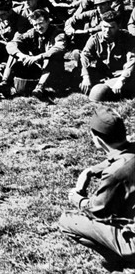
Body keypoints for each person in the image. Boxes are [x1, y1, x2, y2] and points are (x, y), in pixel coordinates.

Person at [59, 106, 135, 271]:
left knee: (67, 222)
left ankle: (123, 261)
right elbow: (124, 155)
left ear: (98, 140)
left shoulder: (114, 173)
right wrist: (91, 170)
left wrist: (76, 199)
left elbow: (97, 211)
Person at [79, 10, 135, 101]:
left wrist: (121, 80)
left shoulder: (128, 39)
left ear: (119, 26)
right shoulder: (95, 39)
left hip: (121, 75)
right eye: (104, 27)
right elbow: (85, 56)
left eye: (111, 27)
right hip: (103, 74)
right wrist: (86, 77)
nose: (107, 31)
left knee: (98, 92)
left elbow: (132, 61)